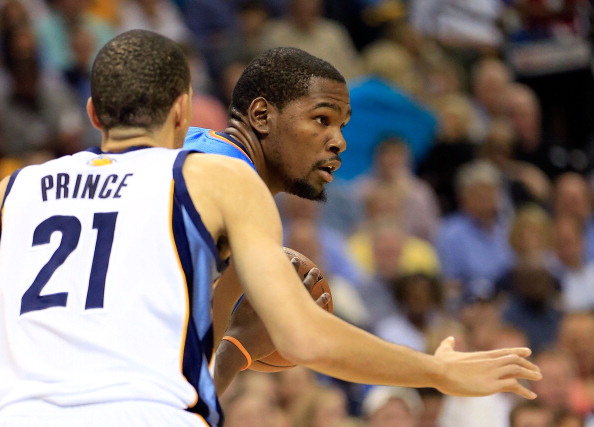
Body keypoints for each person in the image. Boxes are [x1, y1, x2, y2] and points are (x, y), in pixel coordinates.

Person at [0, 30, 542, 426]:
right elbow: (304, 337)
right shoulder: (218, 177)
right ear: (188, 110)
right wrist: (437, 372)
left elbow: (184, 375)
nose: (339, 142)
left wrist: (235, 348)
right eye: (322, 120)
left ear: (94, 114)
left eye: (342, 126)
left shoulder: (18, 188)